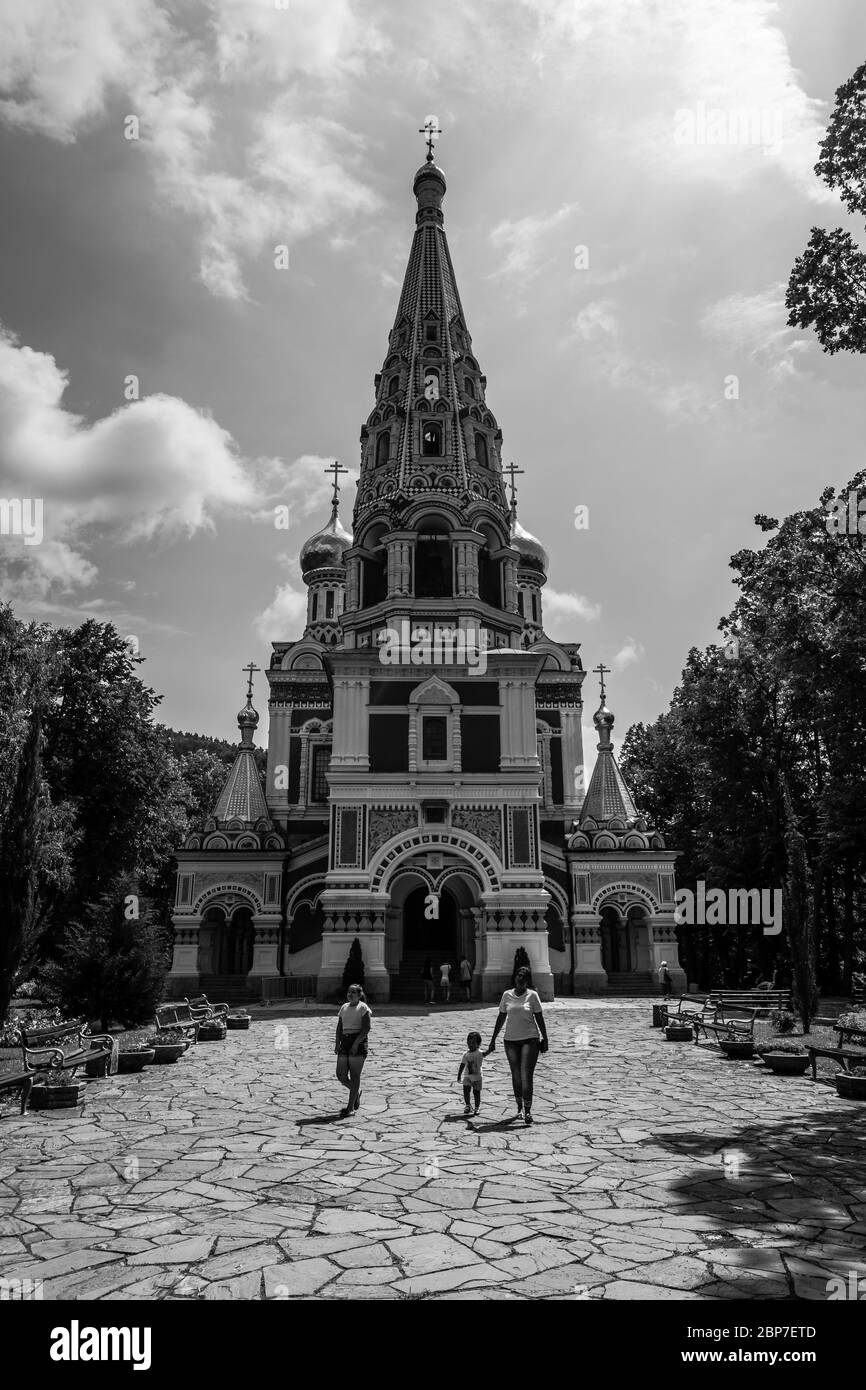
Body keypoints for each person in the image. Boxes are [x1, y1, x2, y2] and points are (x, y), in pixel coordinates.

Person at [486, 965, 548, 1125]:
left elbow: (539, 1018)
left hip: (530, 1039)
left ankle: (528, 1111)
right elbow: (501, 1017)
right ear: (515, 978)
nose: (520, 978)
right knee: (516, 1075)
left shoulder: (532, 996)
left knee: (526, 1075)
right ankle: (519, 1107)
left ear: (527, 980)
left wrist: (545, 1038)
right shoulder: (507, 995)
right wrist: (493, 1039)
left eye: (523, 976)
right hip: (510, 1040)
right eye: (518, 975)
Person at [334, 984, 371, 1118]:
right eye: (349, 992)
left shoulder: (363, 1008)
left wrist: (356, 1044)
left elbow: (366, 1028)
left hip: (358, 1041)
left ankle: (350, 1108)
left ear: (359, 994)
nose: (350, 994)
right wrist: (337, 1042)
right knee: (340, 1075)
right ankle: (356, 1091)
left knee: (355, 1076)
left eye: (353, 992)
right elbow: (339, 1026)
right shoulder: (344, 1007)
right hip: (345, 1041)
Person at [457, 1030, 484, 1115]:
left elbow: (485, 1054)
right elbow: (462, 1064)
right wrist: (459, 1075)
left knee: (476, 1093)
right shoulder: (466, 1054)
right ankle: (468, 1105)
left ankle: (477, 1107)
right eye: (469, 1043)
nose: (470, 1045)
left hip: (477, 1077)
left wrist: (490, 1049)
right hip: (467, 1076)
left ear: (478, 1044)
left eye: (473, 1043)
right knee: (466, 1090)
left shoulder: (479, 1053)